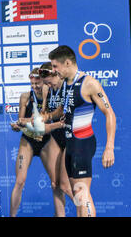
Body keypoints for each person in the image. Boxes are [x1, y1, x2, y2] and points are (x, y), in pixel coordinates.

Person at [43, 45, 116, 217]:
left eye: (55, 66)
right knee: (78, 196)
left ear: (67, 63)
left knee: (83, 195)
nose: (54, 70)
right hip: (71, 145)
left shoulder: (89, 83)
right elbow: (63, 111)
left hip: (83, 144)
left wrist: (109, 147)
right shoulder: (67, 84)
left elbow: (109, 113)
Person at [9, 68, 56, 216]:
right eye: (32, 83)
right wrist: (17, 126)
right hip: (28, 140)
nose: (35, 86)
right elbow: (20, 122)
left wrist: (25, 122)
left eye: (38, 83)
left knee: (56, 183)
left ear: (45, 82)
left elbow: (48, 120)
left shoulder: (53, 97)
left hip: (47, 141)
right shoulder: (25, 97)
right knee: (20, 181)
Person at [38, 62, 73, 216]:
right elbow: (44, 112)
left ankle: (86, 208)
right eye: (45, 83)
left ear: (55, 74)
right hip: (56, 136)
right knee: (55, 184)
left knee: (65, 186)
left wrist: (47, 117)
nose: (48, 85)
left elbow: (60, 111)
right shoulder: (48, 89)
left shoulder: (67, 86)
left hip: (70, 136)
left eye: (49, 82)